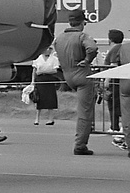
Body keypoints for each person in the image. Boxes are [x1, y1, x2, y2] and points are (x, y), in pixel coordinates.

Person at [54, 9, 99, 155]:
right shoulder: (82, 36)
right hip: (82, 76)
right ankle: (80, 144)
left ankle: (81, 140)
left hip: (68, 75)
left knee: (82, 111)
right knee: (85, 113)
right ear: (82, 22)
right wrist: (87, 60)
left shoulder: (59, 38)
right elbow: (92, 48)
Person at [30, 45, 61, 125]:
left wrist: (45, 71)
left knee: (50, 99)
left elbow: (54, 70)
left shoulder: (54, 59)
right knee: (38, 99)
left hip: (49, 80)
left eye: (50, 49)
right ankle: (37, 119)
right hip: (40, 80)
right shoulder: (38, 58)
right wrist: (32, 81)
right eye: (47, 49)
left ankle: (51, 119)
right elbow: (34, 70)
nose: (48, 50)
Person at [104, 29, 123, 139]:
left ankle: (115, 127)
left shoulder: (115, 49)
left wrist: (107, 80)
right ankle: (116, 126)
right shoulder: (122, 48)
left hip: (115, 81)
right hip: (120, 81)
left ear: (110, 39)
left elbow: (113, 65)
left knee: (113, 104)